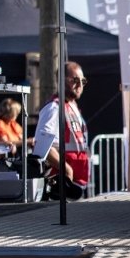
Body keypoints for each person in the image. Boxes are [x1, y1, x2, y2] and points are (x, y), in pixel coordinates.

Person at [33, 62, 90, 200]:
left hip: (76, 184)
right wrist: (66, 169)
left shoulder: (72, 105)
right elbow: (41, 144)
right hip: (61, 185)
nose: (80, 85)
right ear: (61, 80)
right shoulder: (54, 107)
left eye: (82, 81)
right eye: (74, 80)